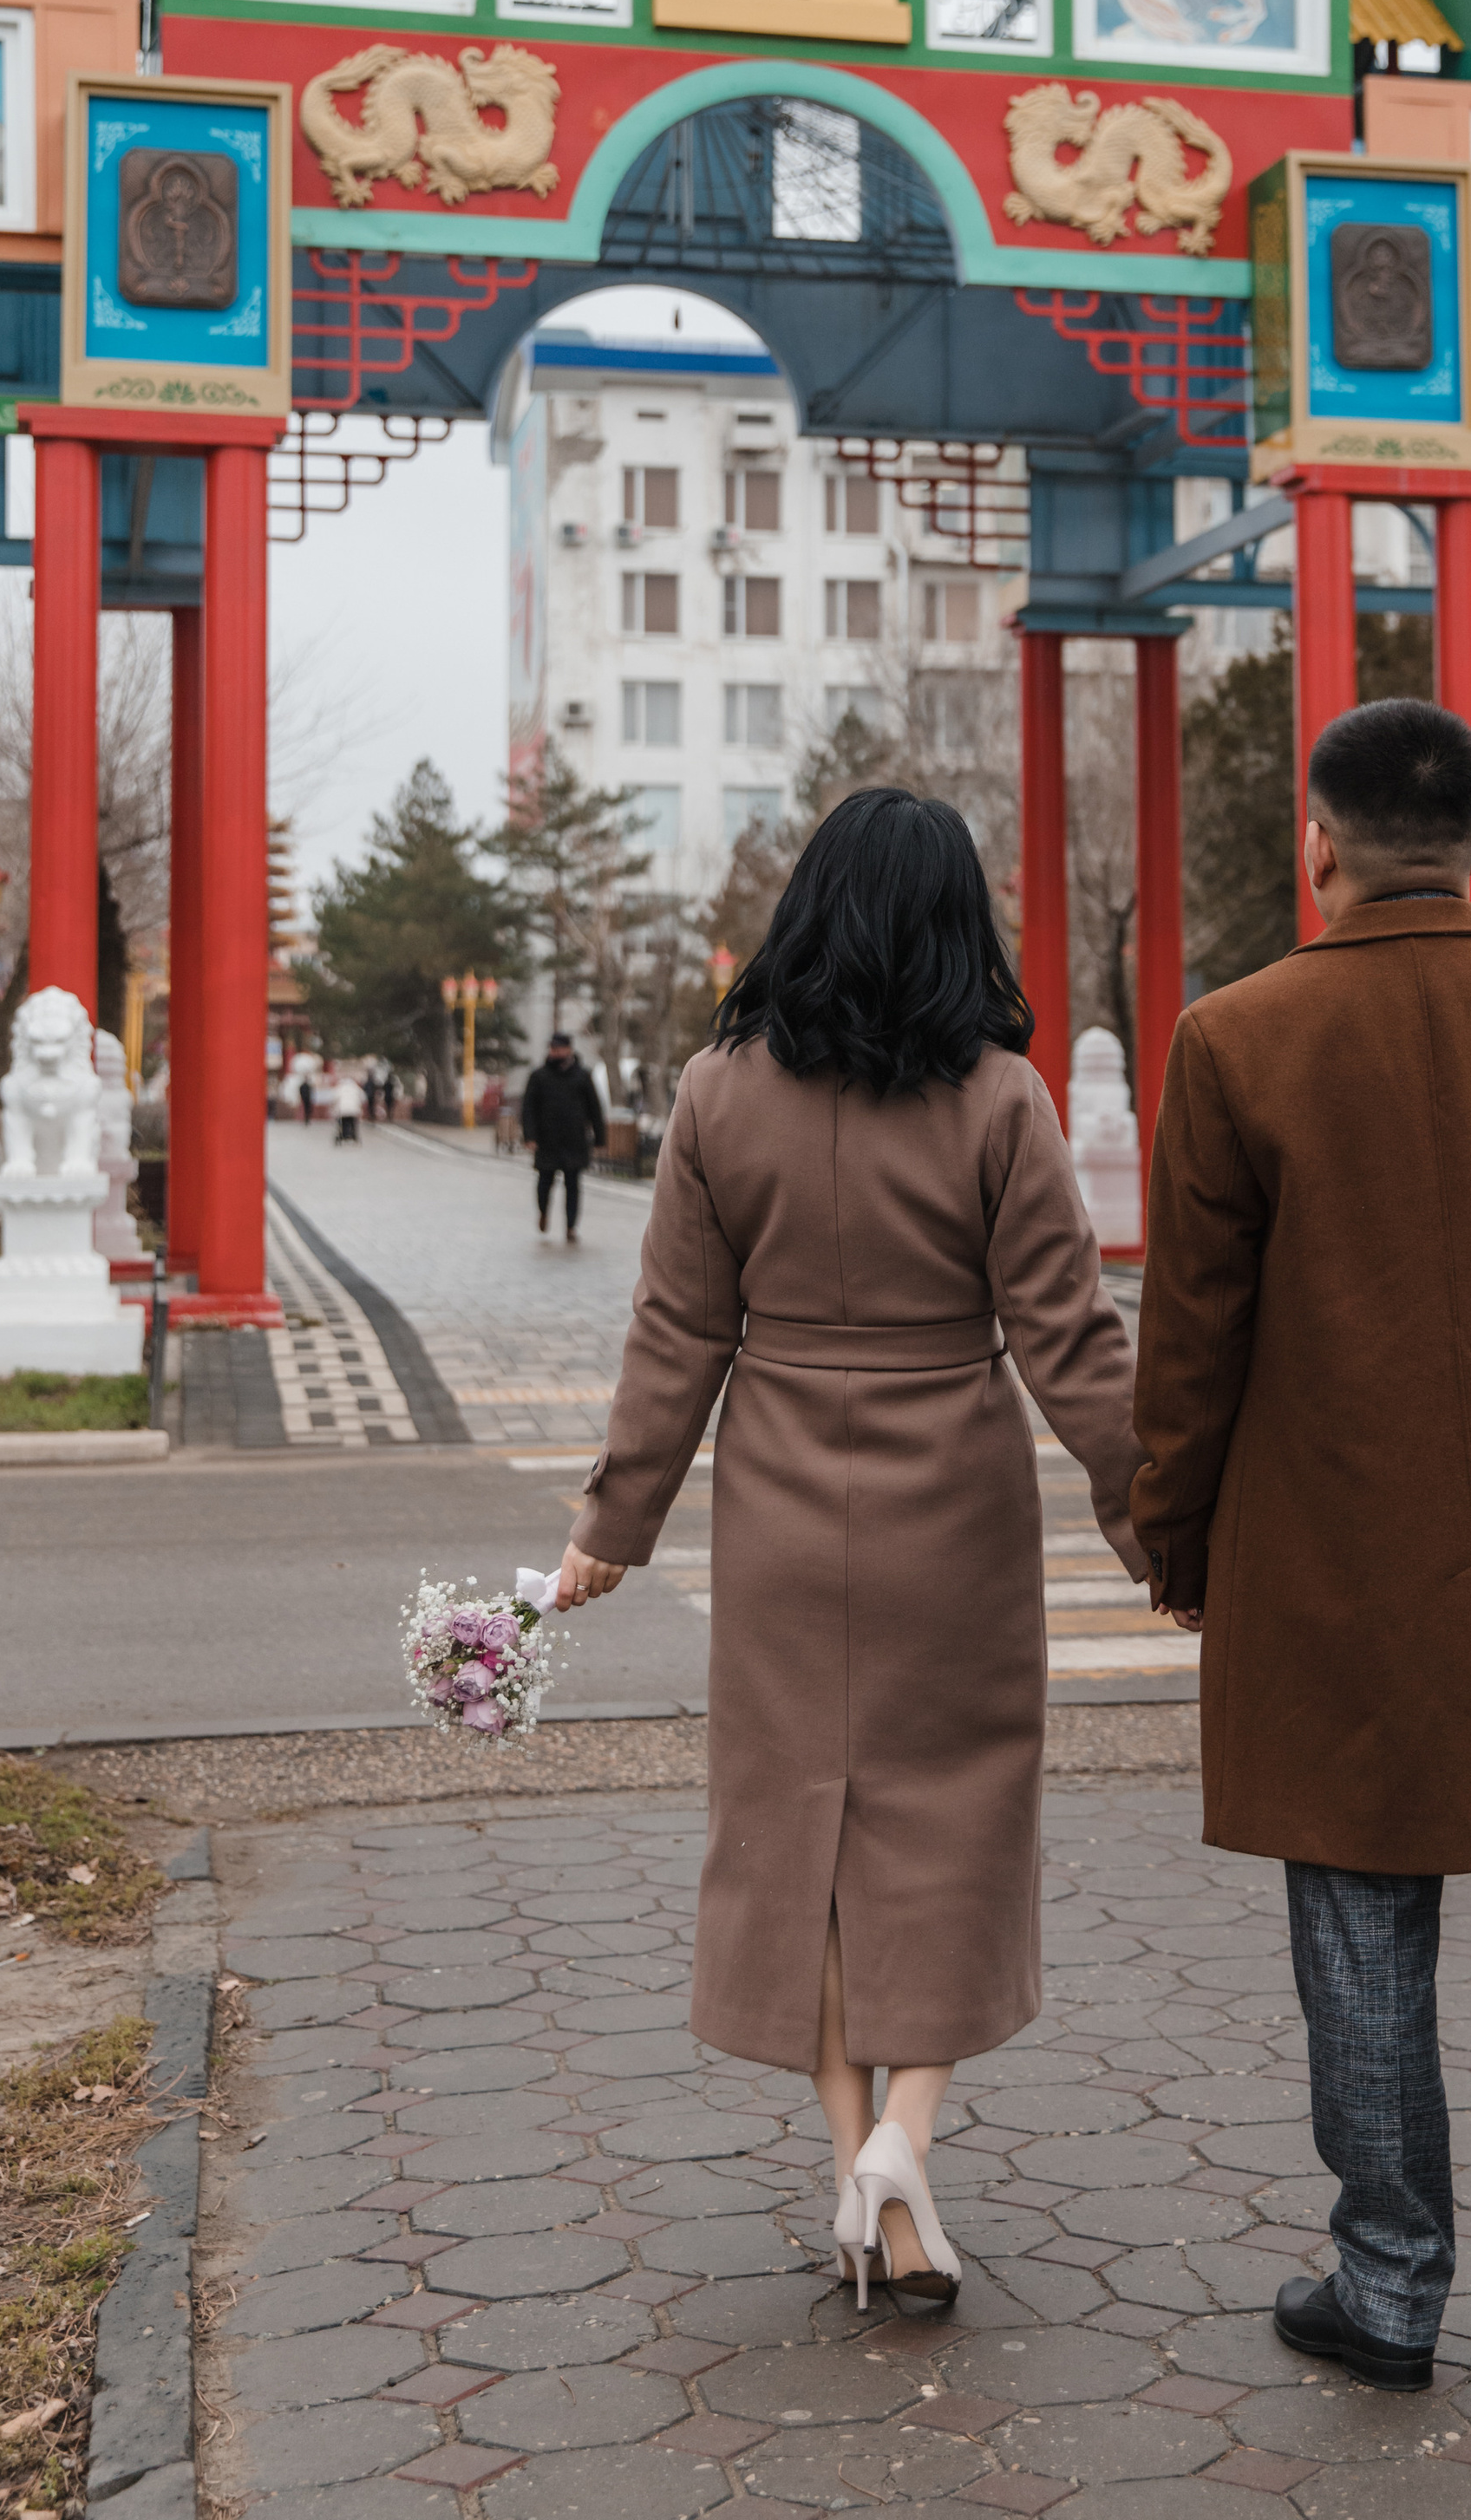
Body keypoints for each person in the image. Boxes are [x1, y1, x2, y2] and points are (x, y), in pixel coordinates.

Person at [1130, 699, 1471, 2445]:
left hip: (1327, 1561)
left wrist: (1174, 1535)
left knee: (1359, 1920)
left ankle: (1384, 2292)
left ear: (1317, 839)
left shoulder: (1236, 1040)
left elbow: (1191, 1339)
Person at [552, 789, 1144, 2308]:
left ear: (809, 909)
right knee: (954, 1813)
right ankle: (910, 2130)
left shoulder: (714, 1094)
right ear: (958, 921)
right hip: (953, 1492)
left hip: (780, 1500)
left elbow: (676, 1332)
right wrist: (1160, 1520)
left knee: (793, 1828)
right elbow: (1067, 1338)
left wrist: (612, 1529)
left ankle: (854, 2176)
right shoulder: (1001, 1097)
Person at [520, 1032, 605, 1243]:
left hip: (574, 1140)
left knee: (573, 1185)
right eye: (552, 1048)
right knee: (544, 1182)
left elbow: (595, 1109)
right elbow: (528, 1108)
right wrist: (529, 1136)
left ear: (568, 1049)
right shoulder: (539, 1076)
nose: (555, 1052)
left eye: (558, 1048)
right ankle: (543, 1213)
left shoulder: (582, 1076)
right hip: (547, 1140)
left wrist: (600, 1139)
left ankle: (571, 1226)